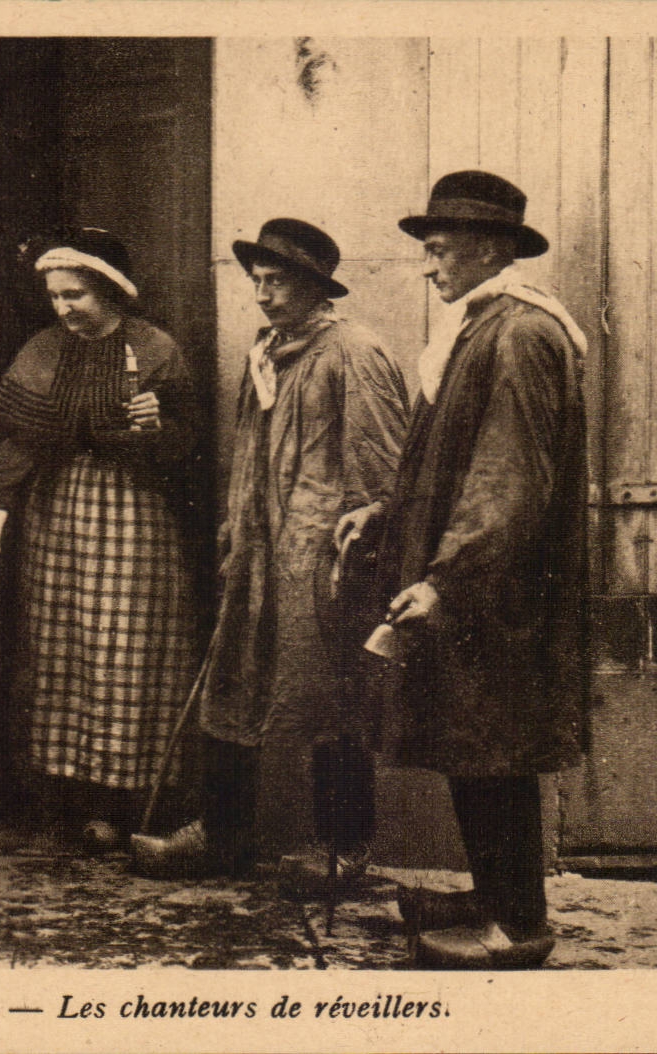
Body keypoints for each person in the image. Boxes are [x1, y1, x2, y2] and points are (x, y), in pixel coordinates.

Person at [334, 170, 589, 968]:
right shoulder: (480, 330)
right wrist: (387, 512)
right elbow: (451, 462)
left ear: (487, 249)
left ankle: (517, 926)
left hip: (495, 593)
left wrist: (448, 578)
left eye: (440, 251)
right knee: (476, 745)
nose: (429, 266)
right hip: (479, 586)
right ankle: (493, 895)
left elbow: (507, 479)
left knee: (494, 749)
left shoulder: (519, 335)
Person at [131, 219, 409, 878]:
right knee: (232, 684)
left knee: (329, 699)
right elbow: (249, 457)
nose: (262, 294)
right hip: (258, 555)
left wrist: (356, 551)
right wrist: (235, 535)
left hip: (321, 563)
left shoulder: (353, 352)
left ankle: (343, 847)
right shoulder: (267, 352)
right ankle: (222, 834)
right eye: (256, 280)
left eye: (276, 281)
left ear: (314, 286)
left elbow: (382, 470)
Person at [0, 227, 202, 849]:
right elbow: (8, 439)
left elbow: (191, 451)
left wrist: (158, 428)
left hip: (135, 519)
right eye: (56, 297)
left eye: (76, 296)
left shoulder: (158, 349)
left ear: (112, 292)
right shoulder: (40, 351)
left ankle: (126, 801)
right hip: (55, 519)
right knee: (59, 652)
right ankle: (65, 801)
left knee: (128, 653)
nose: (63, 309)